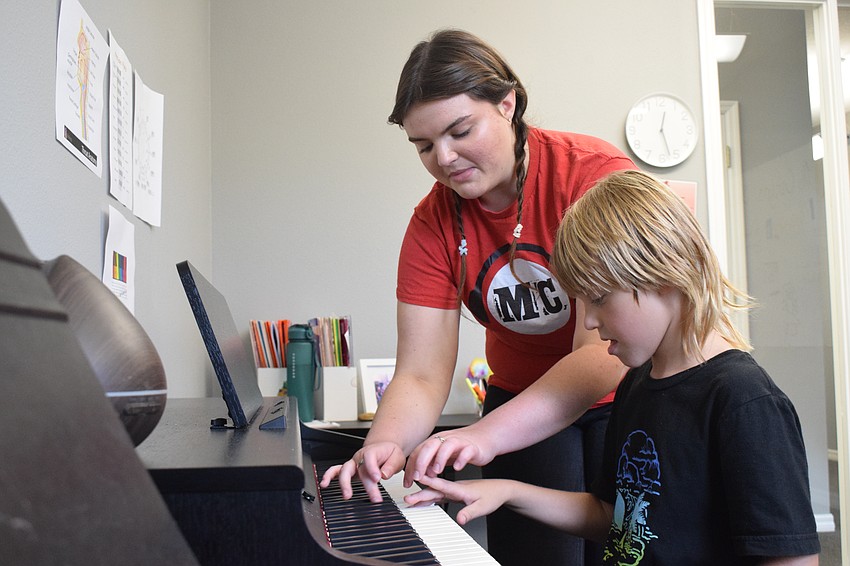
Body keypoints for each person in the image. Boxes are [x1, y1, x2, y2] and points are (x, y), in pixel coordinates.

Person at [320, 28, 635, 565]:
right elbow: (420, 374)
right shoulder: (432, 222)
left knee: (627, 548)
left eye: (460, 131)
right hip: (519, 401)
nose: (444, 158)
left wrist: (483, 437)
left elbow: (599, 356)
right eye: (422, 145)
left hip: (626, 397)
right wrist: (383, 445)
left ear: (506, 103)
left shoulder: (591, 176)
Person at [405, 169, 821, 565]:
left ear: (663, 275)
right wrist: (508, 490)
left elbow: (791, 555)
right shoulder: (636, 384)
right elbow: (613, 518)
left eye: (598, 299)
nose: (587, 322)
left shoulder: (743, 400)